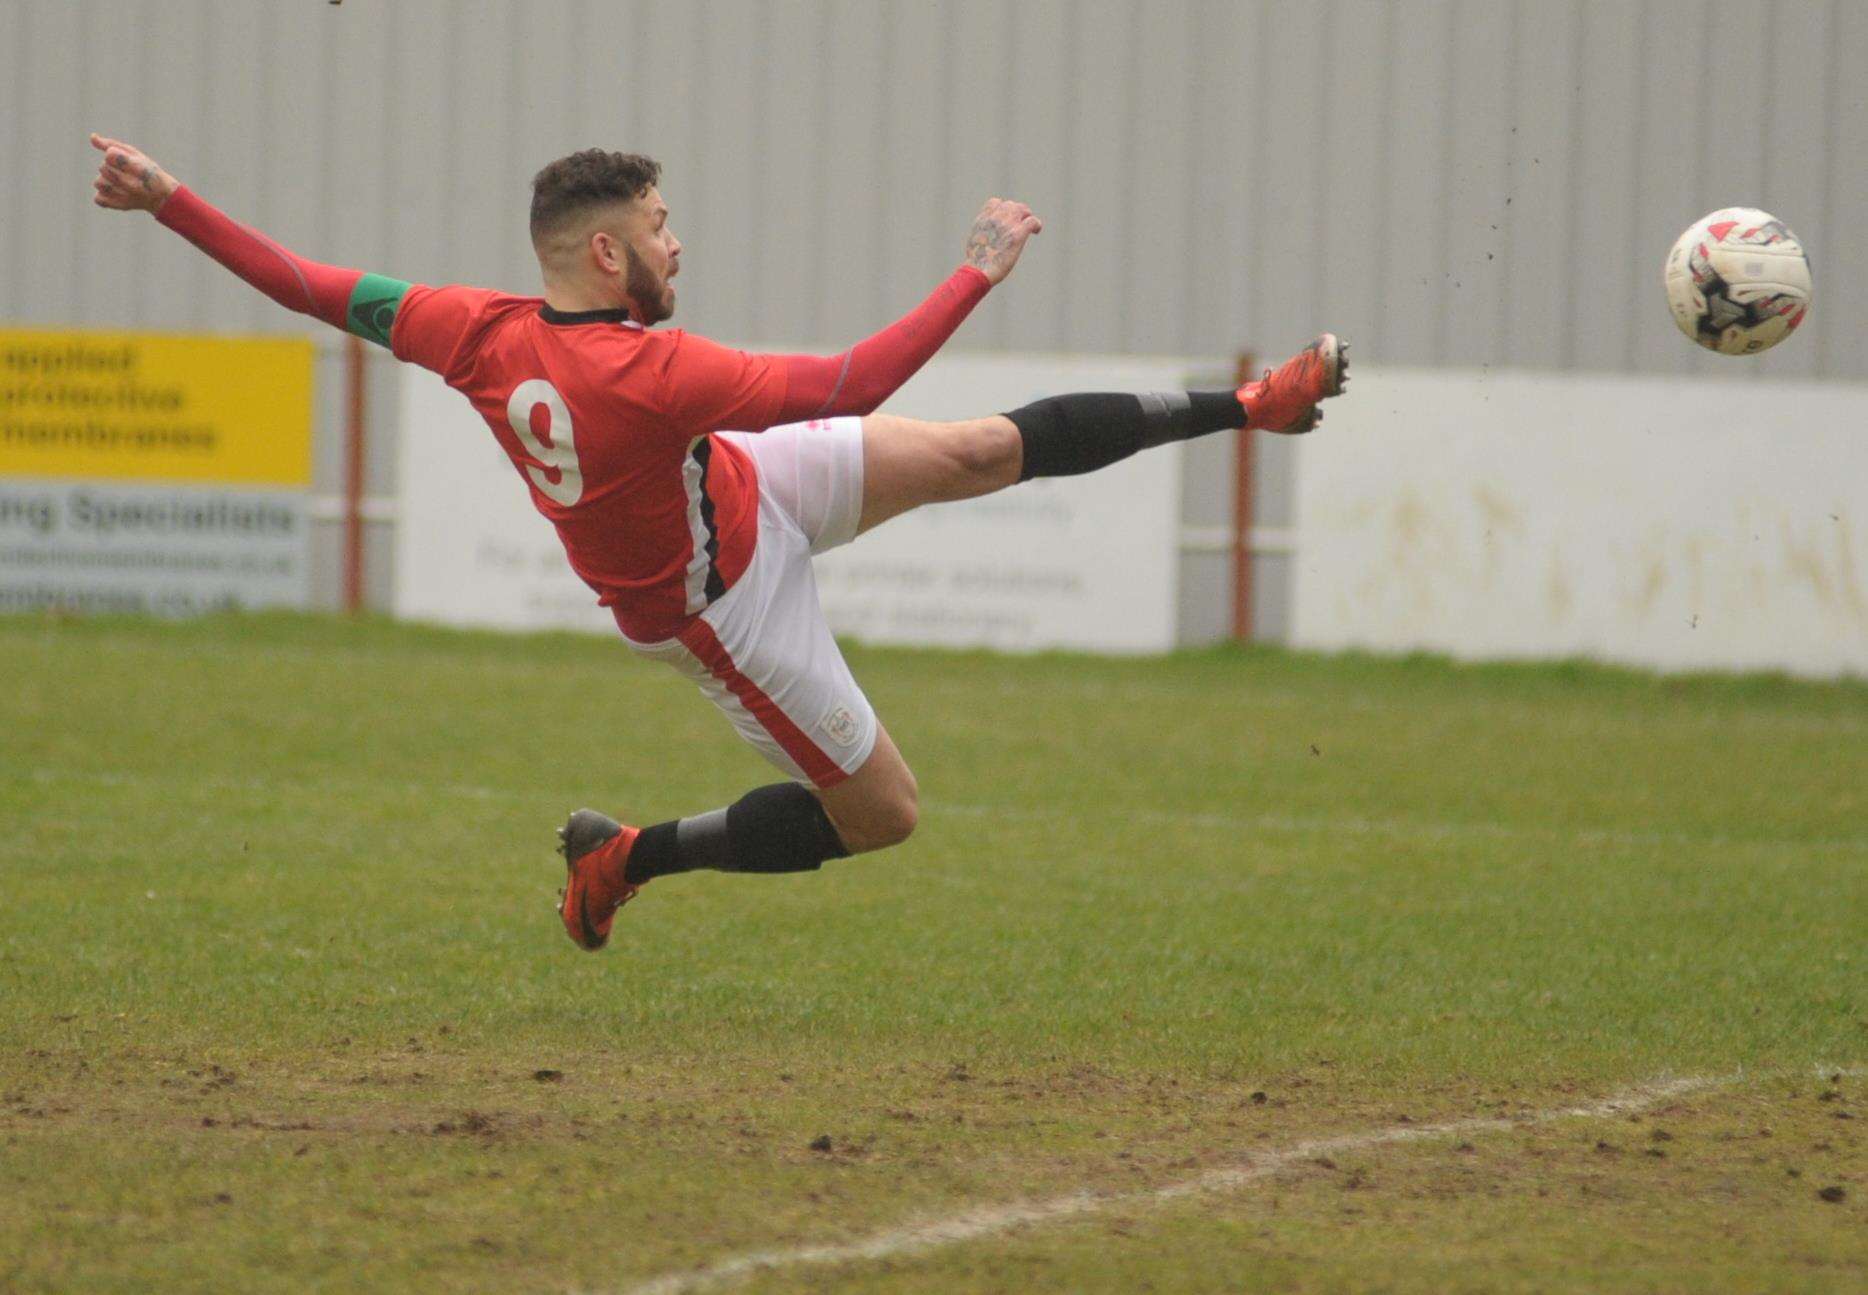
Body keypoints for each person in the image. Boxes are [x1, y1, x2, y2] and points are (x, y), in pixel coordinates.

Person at [89, 132, 1346, 952]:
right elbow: (853, 379)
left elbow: (306, 284)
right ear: (606, 251)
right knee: (885, 813)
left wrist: (170, 202)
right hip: (718, 611)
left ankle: (1252, 405)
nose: (676, 242)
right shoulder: (649, 374)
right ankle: (629, 854)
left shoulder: (468, 326)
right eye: (660, 223)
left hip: (739, 488)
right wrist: (973, 274)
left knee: (973, 451)